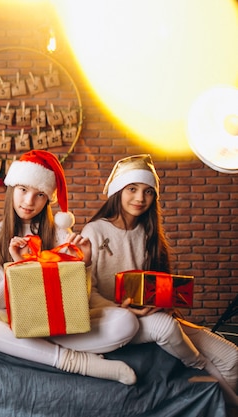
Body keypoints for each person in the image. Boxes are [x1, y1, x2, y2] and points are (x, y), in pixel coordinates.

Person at [0, 150, 140, 385]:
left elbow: (77, 302)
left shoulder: (59, 233)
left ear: (48, 200)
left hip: (58, 321)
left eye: (39, 195)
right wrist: (18, 266)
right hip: (15, 320)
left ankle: (33, 349)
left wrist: (84, 264)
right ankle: (74, 361)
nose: (28, 201)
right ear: (12, 188)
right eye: (23, 190)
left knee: (127, 322)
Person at [81, 154, 238, 405]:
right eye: (132, 189)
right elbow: (89, 291)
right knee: (167, 329)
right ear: (118, 190)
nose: (140, 198)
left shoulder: (149, 233)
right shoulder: (95, 231)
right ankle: (199, 366)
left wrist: (161, 302)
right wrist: (121, 309)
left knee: (232, 358)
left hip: (153, 314)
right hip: (114, 317)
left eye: (148, 191)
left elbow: (157, 286)